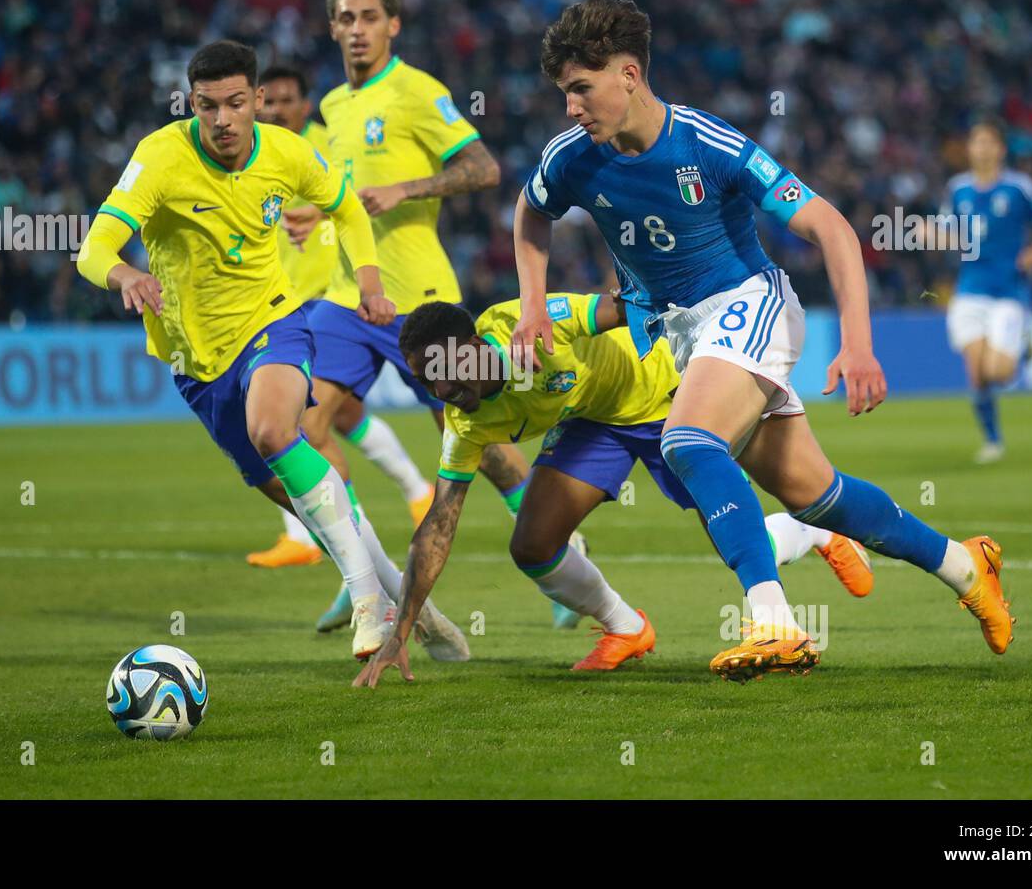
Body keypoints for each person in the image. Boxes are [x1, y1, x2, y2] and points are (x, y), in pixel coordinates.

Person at [509, 0, 1013, 681]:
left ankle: (774, 622)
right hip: (686, 334)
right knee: (816, 495)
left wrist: (859, 344)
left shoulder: (707, 144)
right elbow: (530, 214)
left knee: (686, 441)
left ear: (629, 74)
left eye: (580, 89)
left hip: (751, 304)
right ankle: (966, 565)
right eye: (564, 93)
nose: (570, 107)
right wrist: (533, 308)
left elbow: (831, 227)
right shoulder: (572, 158)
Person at [75, 39, 467, 664]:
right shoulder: (159, 158)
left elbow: (347, 209)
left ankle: (367, 600)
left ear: (257, 99)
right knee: (298, 491)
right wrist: (125, 276)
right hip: (197, 362)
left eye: (236, 103)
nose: (223, 120)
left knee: (273, 430)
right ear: (192, 104)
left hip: (274, 322)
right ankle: (396, 590)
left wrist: (368, 281)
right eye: (208, 107)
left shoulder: (287, 150)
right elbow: (93, 247)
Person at [354, 292, 874, 687]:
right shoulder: (464, 421)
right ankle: (626, 628)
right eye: (426, 383)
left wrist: (708, 350)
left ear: (470, 348)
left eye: (445, 372)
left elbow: (626, 304)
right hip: (593, 418)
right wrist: (400, 631)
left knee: (728, 534)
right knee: (532, 545)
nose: (441, 391)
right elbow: (438, 526)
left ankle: (806, 532)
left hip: (662, 397)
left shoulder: (528, 324)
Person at [284, 0, 579, 630]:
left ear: (392, 25)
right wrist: (315, 214)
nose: (356, 29)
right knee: (304, 431)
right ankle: (364, 571)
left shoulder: (418, 92)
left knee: (484, 444)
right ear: (332, 28)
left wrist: (407, 189)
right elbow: (347, 200)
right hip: (346, 297)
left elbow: (484, 169)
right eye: (346, 18)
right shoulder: (331, 107)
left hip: (421, 304)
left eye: (368, 17)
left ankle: (563, 558)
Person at [248, 62, 437, 577]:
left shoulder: (323, 144)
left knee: (304, 420)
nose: (278, 109)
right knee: (324, 419)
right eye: (271, 101)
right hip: (285, 299)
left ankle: (355, 529)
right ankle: (390, 509)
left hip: (324, 297)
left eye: (289, 100)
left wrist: (320, 212)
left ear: (305, 106)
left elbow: (349, 199)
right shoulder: (253, 151)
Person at [940, 120, 1032, 462]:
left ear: (1000, 148)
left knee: (998, 372)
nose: (982, 148)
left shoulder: (1019, 187)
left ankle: (1022, 343)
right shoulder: (958, 188)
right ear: (970, 149)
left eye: (988, 142)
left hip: (1009, 291)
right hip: (970, 290)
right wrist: (932, 235)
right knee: (976, 374)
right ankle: (993, 440)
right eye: (976, 142)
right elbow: (954, 235)